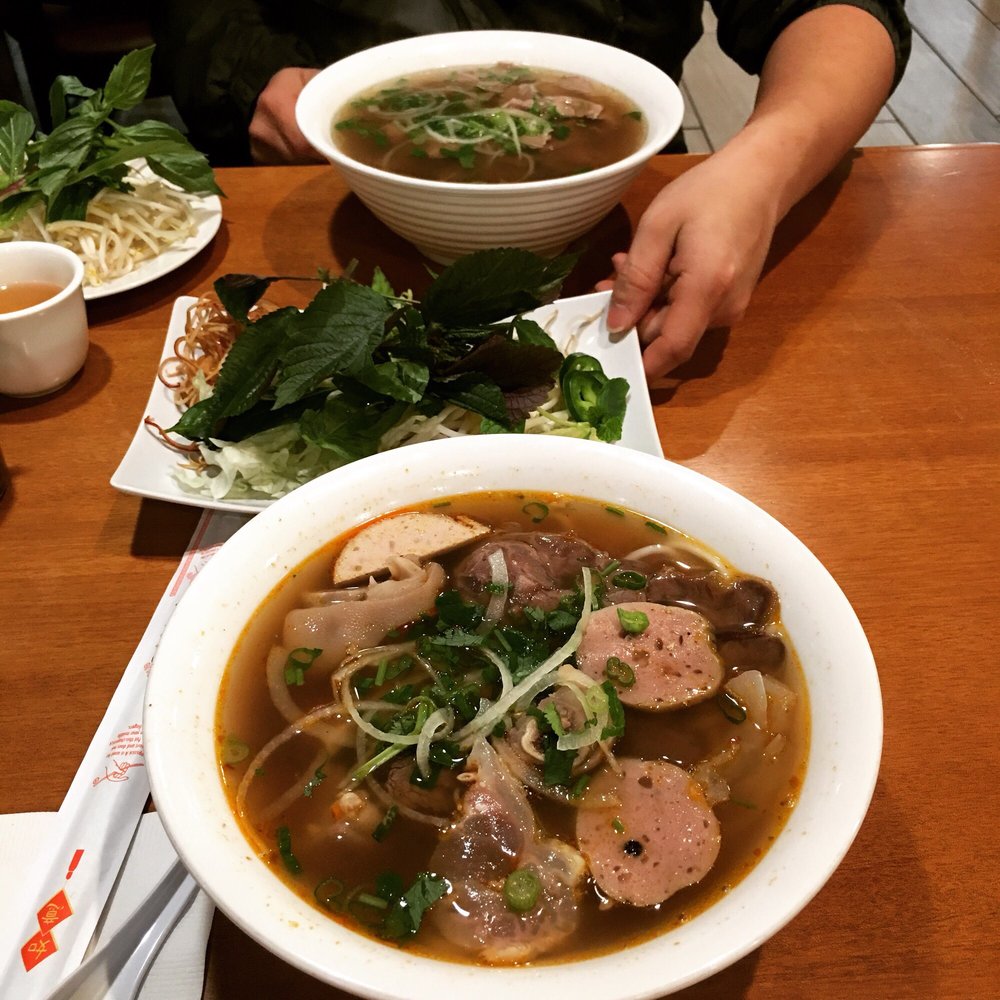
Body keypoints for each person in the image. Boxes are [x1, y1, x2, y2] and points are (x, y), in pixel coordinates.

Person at [152, 2, 910, 381]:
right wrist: (254, 78)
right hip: (341, 227)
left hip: (631, 246)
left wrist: (759, 169)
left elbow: (841, 5)